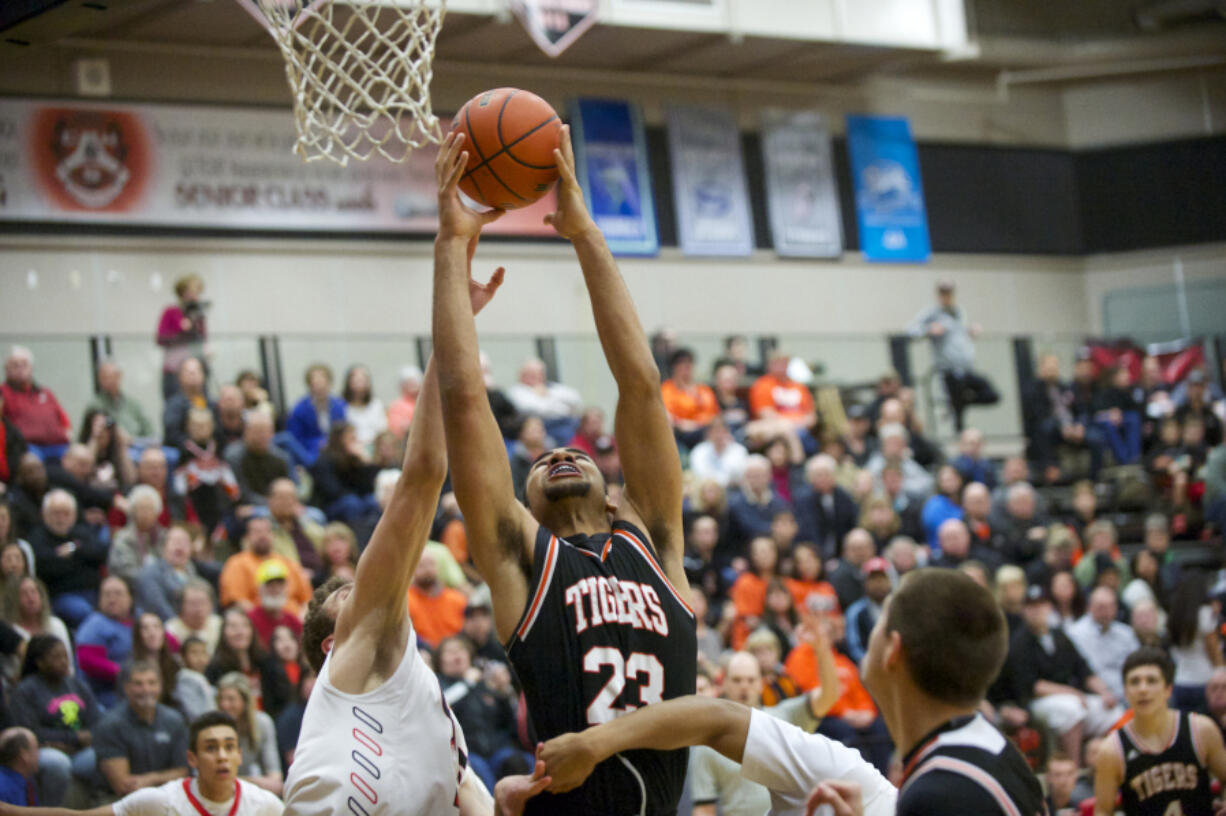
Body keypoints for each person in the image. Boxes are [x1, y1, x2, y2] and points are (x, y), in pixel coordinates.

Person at [433, 126, 696, 815]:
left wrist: (586, 234)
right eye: (539, 461)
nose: (556, 451)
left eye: (575, 449)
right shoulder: (524, 557)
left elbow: (640, 384)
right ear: (522, 504)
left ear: (618, 497)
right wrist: (451, 246)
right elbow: (465, 403)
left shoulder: (657, 539)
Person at [288, 252, 546, 816]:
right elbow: (426, 470)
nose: (366, 587)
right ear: (333, 645)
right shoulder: (357, 653)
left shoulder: (435, 720)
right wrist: (454, 328)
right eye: (347, 596)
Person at [0, 711, 285, 816]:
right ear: (192, 759)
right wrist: (10, 811)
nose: (222, 755)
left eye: (229, 747)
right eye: (211, 748)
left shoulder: (266, 806)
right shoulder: (159, 802)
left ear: (239, 756)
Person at [1094, 647, 1226, 815]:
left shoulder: (1201, 730)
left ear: (1168, 689)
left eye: (1151, 680)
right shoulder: (1111, 750)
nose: (1143, 689)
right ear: (1126, 692)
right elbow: (1103, 811)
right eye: (1134, 682)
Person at [9, 637, 100, 805]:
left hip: (79, 750)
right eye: (56, 657)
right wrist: (73, 738)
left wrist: (86, 738)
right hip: (44, 749)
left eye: (65, 656)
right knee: (58, 763)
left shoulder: (77, 685)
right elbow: (29, 732)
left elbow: (97, 721)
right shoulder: (25, 691)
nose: (64, 662)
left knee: (104, 755)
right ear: (40, 662)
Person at [906, 280, 999, 432]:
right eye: (943, 293)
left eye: (949, 292)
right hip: (949, 370)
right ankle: (959, 426)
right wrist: (928, 330)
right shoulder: (932, 313)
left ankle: (963, 402)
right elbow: (910, 331)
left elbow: (957, 334)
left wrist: (969, 331)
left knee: (992, 395)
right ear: (938, 295)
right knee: (958, 414)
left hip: (967, 368)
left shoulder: (959, 312)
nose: (946, 296)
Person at [93, 661, 189, 798]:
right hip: (117, 801)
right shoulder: (110, 724)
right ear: (126, 688)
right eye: (138, 684)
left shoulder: (174, 720)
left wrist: (150, 779)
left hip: (168, 798)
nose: (146, 690)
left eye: (152, 683)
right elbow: (123, 786)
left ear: (160, 686)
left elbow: (183, 772)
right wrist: (164, 778)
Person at [1066, 587, 1141, 701]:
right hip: (1095, 694)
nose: (1107, 611)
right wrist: (1104, 692)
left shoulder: (1126, 633)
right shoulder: (1075, 634)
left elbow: (1138, 665)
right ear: (1089, 607)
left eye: (1111, 606)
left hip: (1129, 690)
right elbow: (1084, 672)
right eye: (1101, 607)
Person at [213, 673, 281, 796]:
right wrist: (253, 781)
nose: (224, 705)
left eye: (231, 699)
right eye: (221, 699)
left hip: (248, 793)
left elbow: (275, 778)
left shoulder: (262, 723)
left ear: (245, 701)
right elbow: (210, 780)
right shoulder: (212, 726)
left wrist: (239, 782)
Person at [74, 576, 134, 709]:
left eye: (118, 594)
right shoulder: (95, 624)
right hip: (105, 693)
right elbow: (88, 661)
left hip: (140, 686)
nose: (112, 599)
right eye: (106, 594)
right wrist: (126, 674)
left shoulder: (140, 619)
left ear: (130, 598)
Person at [1, 348, 71, 458]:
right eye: (15, 365)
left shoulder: (46, 393)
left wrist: (67, 433)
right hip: (27, 447)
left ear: (31, 368)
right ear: (6, 369)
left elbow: (64, 421)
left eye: (24, 364)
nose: (20, 368)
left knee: (80, 457)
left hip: (59, 445)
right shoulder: (3, 393)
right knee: (32, 464)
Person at [156, 274, 209, 400]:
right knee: (175, 401)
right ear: (182, 292)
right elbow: (160, 338)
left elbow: (202, 338)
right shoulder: (171, 312)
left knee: (201, 401)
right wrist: (181, 331)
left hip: (196, 367)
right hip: (174, 368)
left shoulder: (198, 314)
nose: (195, 296)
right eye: (192, 291)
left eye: (197, 292)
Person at [286, 364, 346, 467]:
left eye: (323, 384)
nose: (320, 388)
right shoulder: (299, 410)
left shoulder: (340, 406)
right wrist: (318, 443)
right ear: (310, 386)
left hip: (337, 451)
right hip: (310, 454)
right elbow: (295, 439)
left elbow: (344, 431)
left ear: (329, 384)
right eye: (316, 385)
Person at [660, 348, 719, 450]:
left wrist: (696, 424)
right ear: (674, 367)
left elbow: (713, 415)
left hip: (703, 433)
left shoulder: (704, 390)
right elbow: (667, 415)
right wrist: (681, 424)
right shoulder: (667, 389)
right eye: (681, 362)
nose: (686, 366)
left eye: (689, 362)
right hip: (678, 434)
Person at [161, 358, 214, 451]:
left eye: (197, 371)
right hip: (182, 454)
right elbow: (172, 435)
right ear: (180, 377)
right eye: (188, 372)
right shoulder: (173, 406)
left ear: (203, 375)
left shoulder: (212, 404)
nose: (193, 374)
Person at [341, 365, 387, 449]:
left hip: (375, 447)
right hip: (351, 448)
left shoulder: (376, 404)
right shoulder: (342, 406)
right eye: (355, 379)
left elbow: (382, 430)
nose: (359, 382)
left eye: (363, 379)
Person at [0, 728, 40, 807]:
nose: (39, 754)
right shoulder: (4, 791)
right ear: (24, 755)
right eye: (36, 749)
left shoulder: (27, 781)